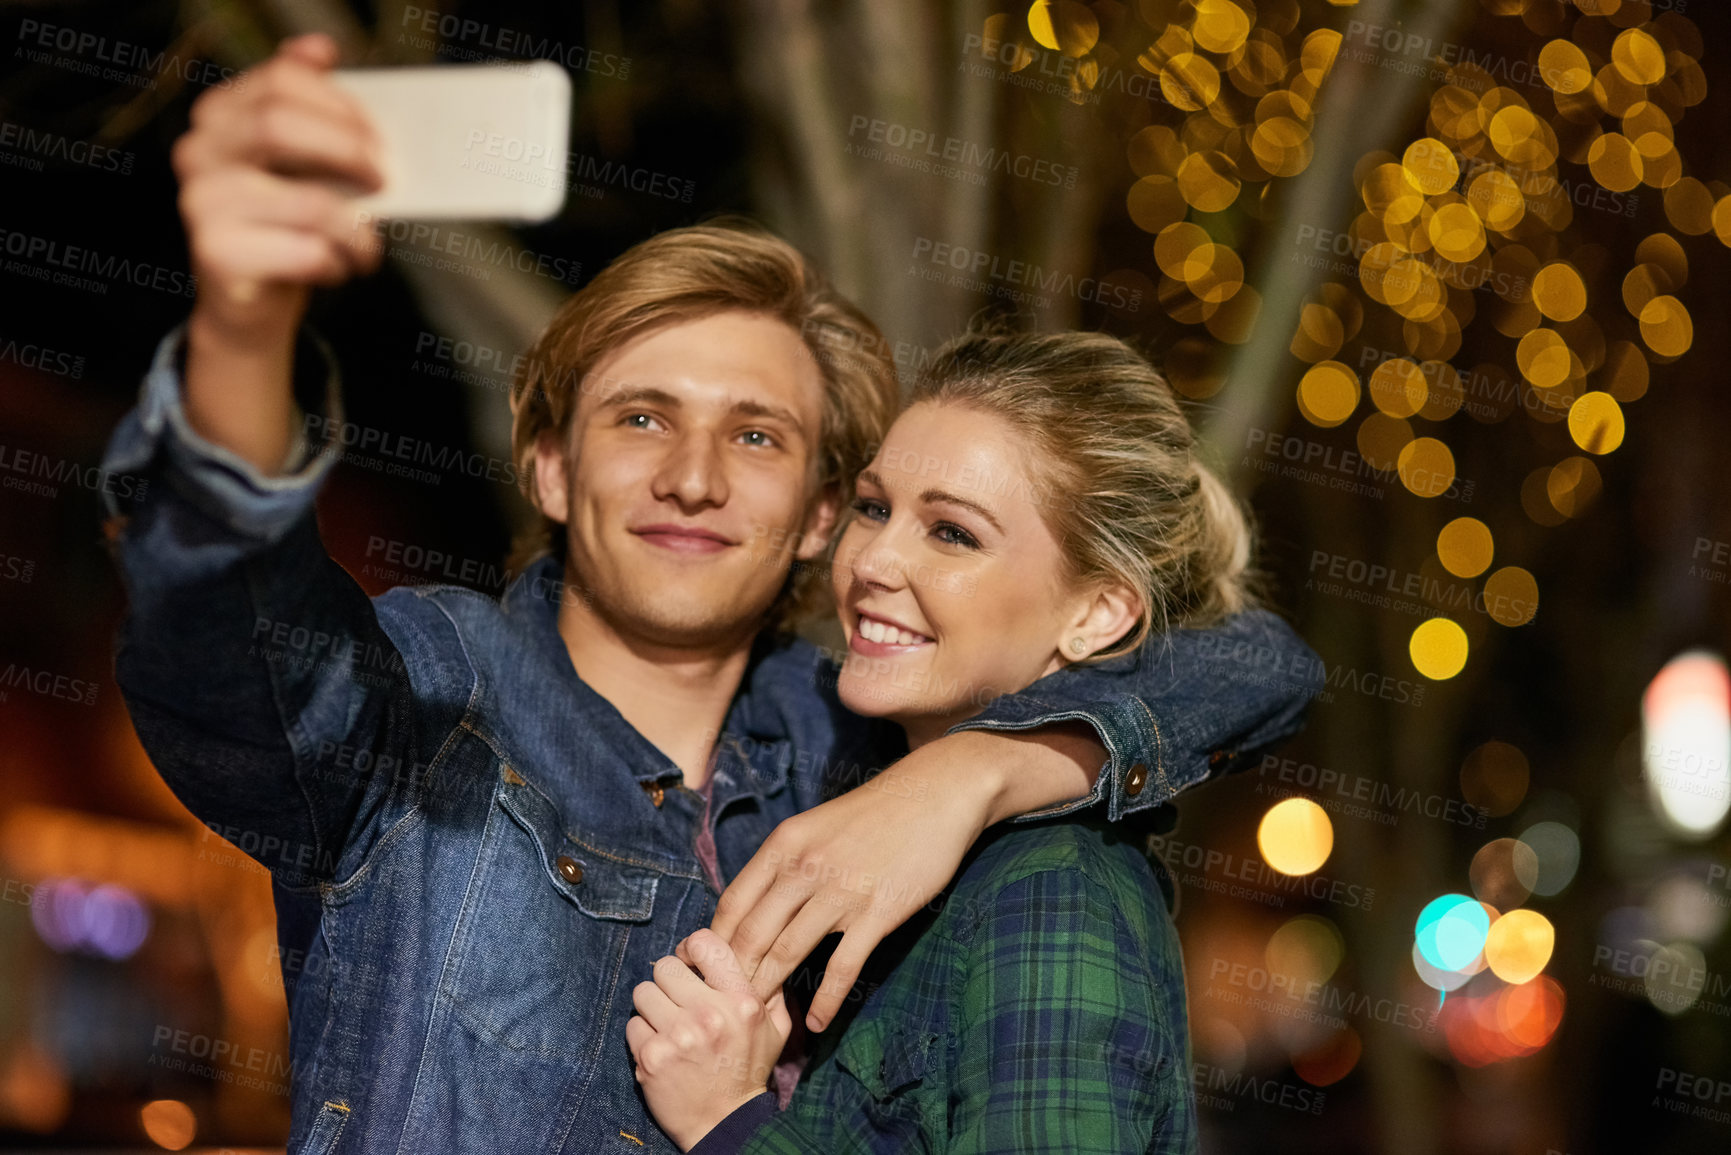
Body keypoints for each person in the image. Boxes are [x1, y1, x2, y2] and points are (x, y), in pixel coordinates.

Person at [98, 32, 1320, 1155]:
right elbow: (229, 644)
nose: (690, 478)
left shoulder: (861, 734)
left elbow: (1258, 662)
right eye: (641, 419)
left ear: (820, 517)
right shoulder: (426, 703)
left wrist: (982, 770)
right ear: (552, 469)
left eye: (756, 439)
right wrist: (244, 329)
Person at [630, 329, 1256, 1153]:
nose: (874, 562)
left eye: (952, 533)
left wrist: (728, 1121)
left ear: (1098, 612)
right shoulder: (872, 791)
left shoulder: (1053, 896)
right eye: (874, 507)